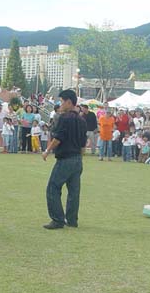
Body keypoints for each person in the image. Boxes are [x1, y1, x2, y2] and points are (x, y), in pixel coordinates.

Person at [42, 89, 87, 230]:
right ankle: (72, 220)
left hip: (65, 158)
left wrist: (47, 150)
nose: (60, 104)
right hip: (77, 159)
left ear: (69, 102)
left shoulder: (64, 118)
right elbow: (82, 143)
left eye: (61, 101)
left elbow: (58, 138)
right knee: (74, 191)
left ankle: (57, 219)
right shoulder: (81, 120)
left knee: (53, 187)